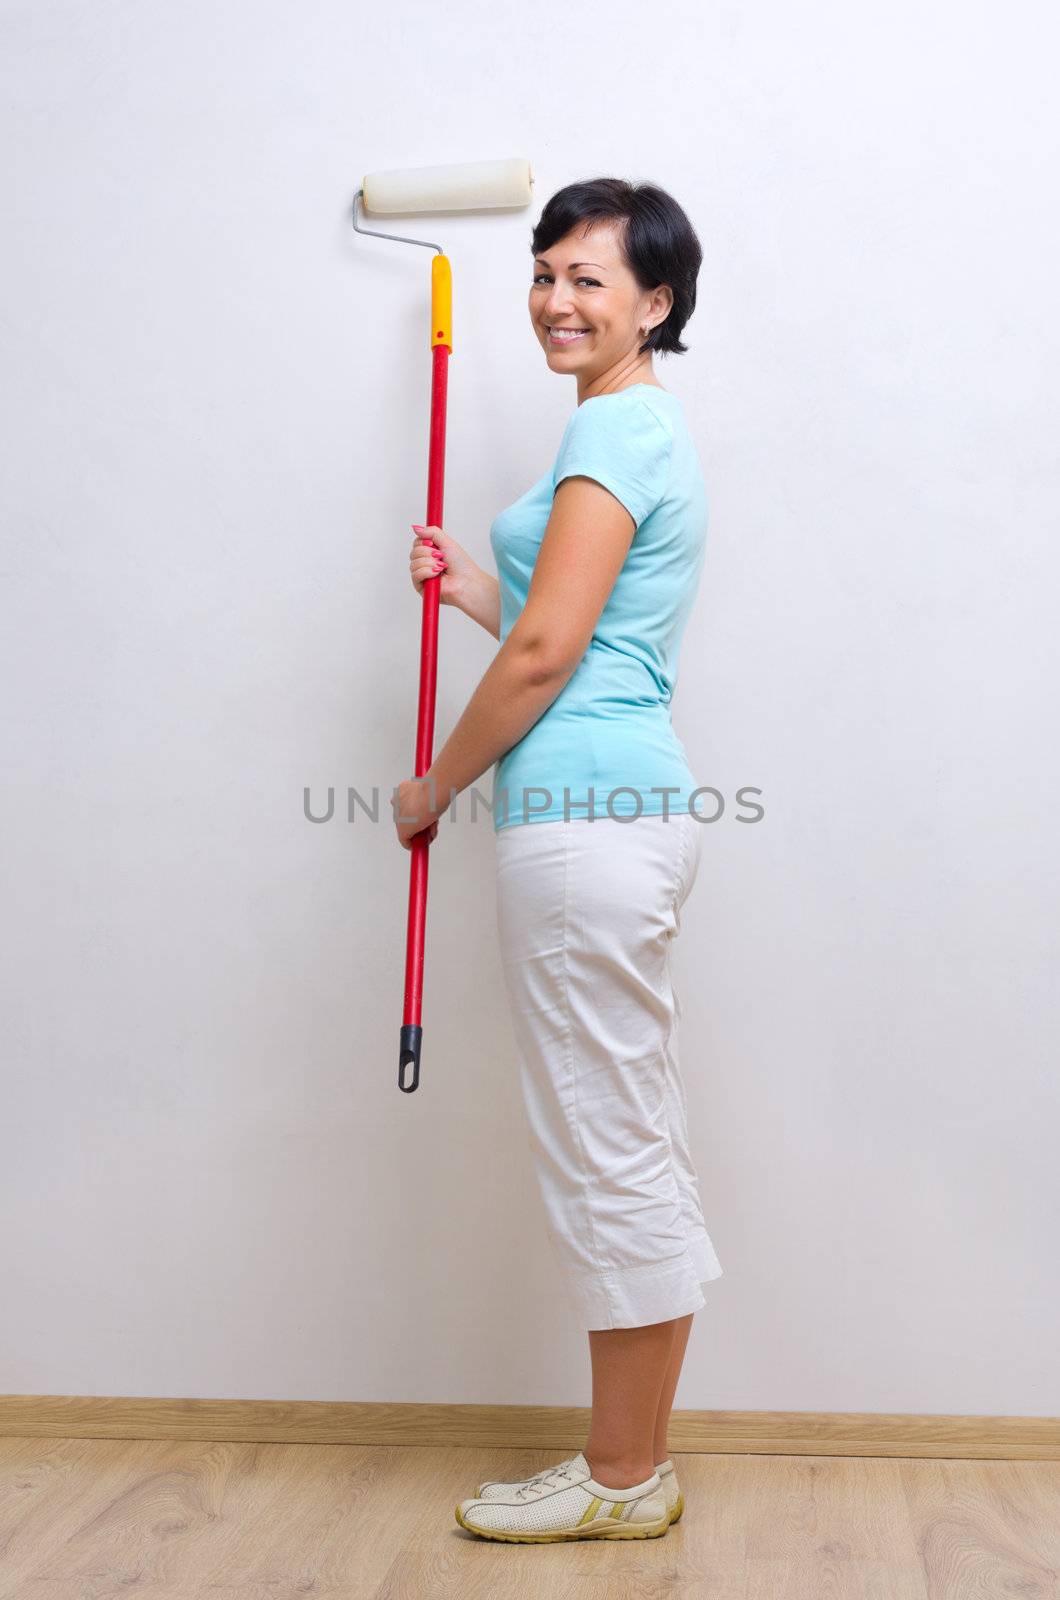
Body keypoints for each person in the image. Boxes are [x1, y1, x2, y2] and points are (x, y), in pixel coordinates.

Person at [394, 177, 723, 1544]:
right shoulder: (620, 432)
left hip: (584, 823)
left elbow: (546, 662)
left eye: (591, 279)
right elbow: (563, 632)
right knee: (620, 1132)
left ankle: (622, 1478)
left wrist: (432, 787)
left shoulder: (621, 431)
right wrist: (481, 588)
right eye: (546, 271)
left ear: (655, 304)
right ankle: (625, 1464)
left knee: (609, 1147)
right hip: (609, 808)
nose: (556, 298)